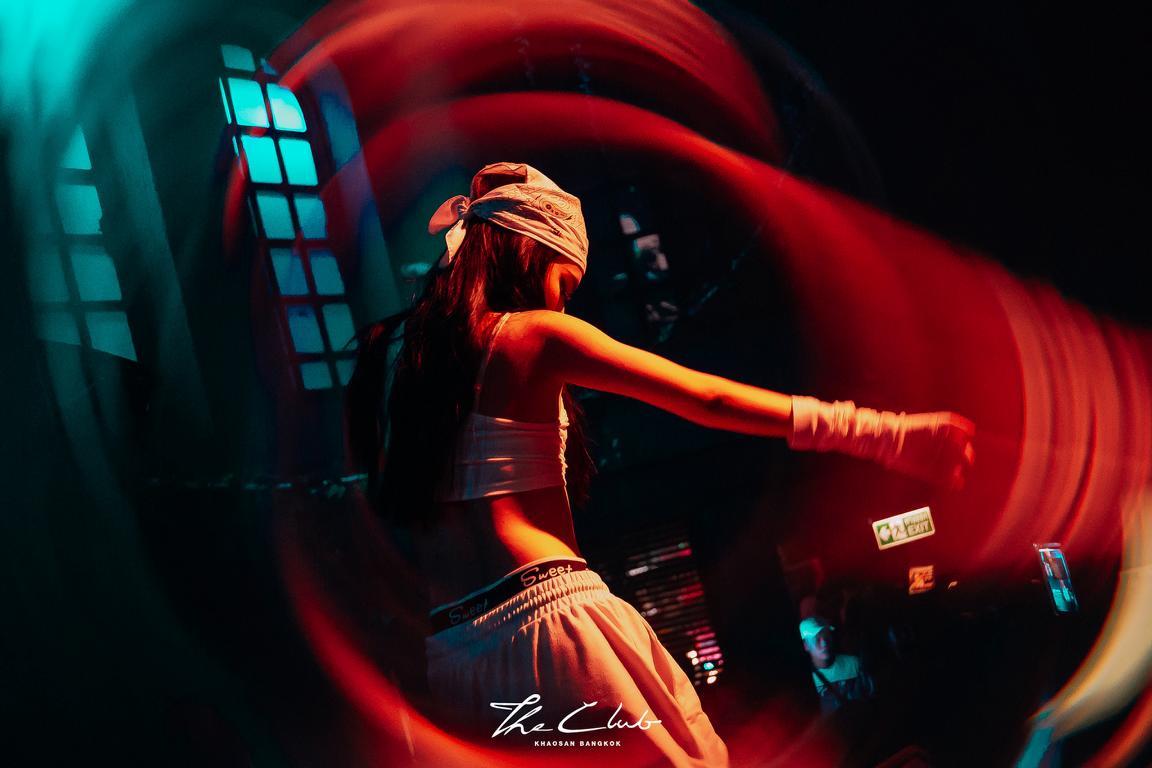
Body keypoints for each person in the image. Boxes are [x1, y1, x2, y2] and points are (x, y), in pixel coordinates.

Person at [345, 161, 976, 767]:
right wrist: (887, 434)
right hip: (548, 621)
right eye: (565, 285)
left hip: (452, 661)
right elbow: (708, 398)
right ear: (530, 252)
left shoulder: (400, 366)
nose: (563, 306)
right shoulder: (534, 336)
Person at [800, 616, 876, 715]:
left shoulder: (854, 664)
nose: (824, 643)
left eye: (826, 636)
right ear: (806, 645)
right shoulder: (802, 680)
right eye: (817, 639)